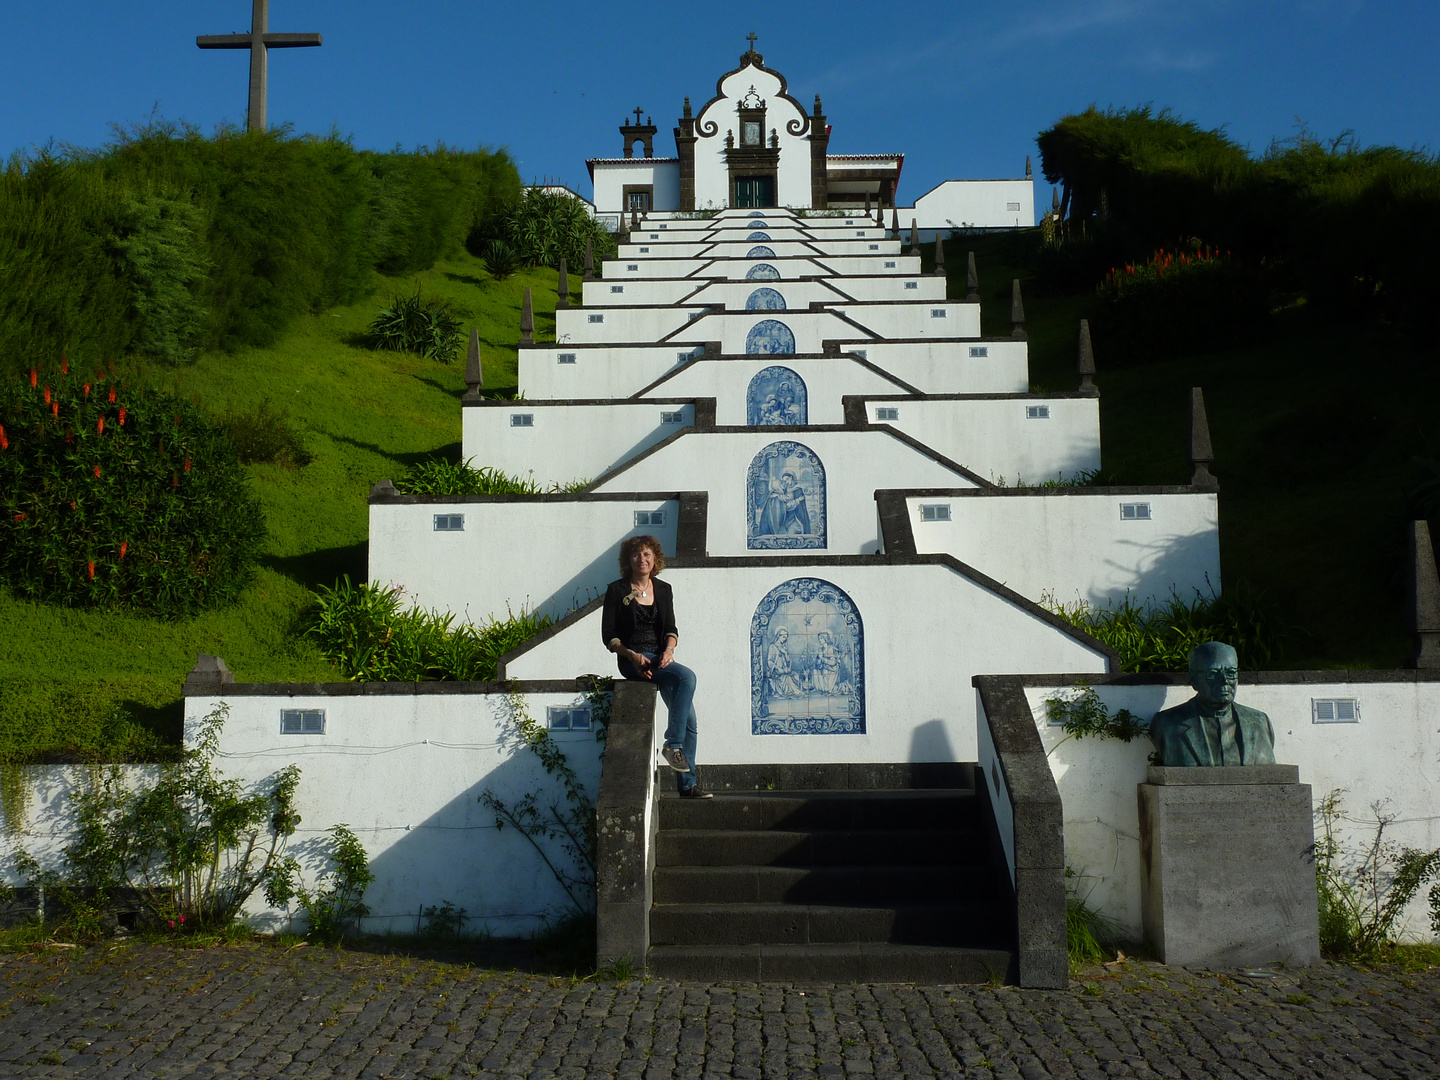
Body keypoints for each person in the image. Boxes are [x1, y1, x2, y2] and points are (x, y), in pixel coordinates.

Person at [601, 535, 711, 798]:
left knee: (691, 723)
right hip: (633, 661)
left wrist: (669, 651)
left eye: (647, 554)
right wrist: (633, 656)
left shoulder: (663, 589)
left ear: (655, 559)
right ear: (628, 560)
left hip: (660, 658)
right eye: (636, 555)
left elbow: (671, 629)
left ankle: (687, 786)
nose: (642, 559)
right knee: (688, 677)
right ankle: (672, 743)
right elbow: (610, 637)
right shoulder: (616, 590)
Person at [1150, 641, 1276, 767]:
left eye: (1231, 673)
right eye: (1213, 673)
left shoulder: (1260, 722)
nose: (1224, 680)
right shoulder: (1167, 723)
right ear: (1194, 679)